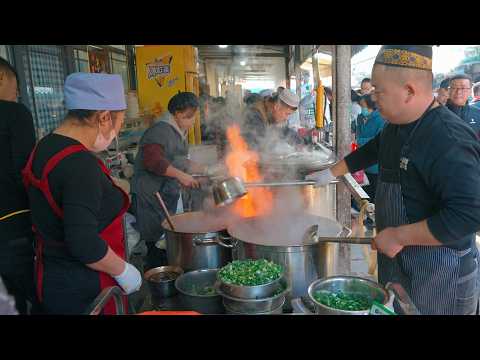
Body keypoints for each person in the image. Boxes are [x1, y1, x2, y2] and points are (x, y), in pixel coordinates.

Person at [307, 45, 480, 315]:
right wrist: (331, 172)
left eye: (379, 90)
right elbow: (373, 150)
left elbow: (469, 214)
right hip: (398, 262)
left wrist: (399, 235)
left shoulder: (449, 138)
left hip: (440, 275)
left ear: (409, 91)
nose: (374, 98)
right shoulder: (396, 127)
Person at [22, 73, 142, 314]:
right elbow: (85, 245)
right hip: (85, 287)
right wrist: (124, 271)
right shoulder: (80, 164)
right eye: (120, 121)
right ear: (104, 117)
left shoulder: (45, 145)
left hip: (51, 277)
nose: (117, 131)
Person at [132, 92, 206, 270]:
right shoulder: (159, 130)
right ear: (179, 114)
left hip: (166, 192)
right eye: (192, 116)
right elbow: (153, 161)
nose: (194, 120)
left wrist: (203, 169)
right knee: (155, 241)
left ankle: (168, 268)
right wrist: (181, 176)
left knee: (166, 236)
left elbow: (177, 159)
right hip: (152, 194)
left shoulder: (178, 131)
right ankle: (156, 275)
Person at [0, 57, 39, 314]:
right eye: (16, 89)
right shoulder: (14, 113)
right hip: (12, 224)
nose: (17, 95)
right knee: (32, 295)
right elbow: (24, 171)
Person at [356, 94, 386, 203]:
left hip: (376, 166)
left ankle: (371, 218)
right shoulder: (361, 118)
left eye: (363, 106)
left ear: (371, 106)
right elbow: (358, 133)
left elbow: (379, 140)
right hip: (364, 164)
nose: (361, 108)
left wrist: (359, 141)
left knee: (374, 196)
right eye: (360, 105)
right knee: (364, 196)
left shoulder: (381, 119)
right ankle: (365, 216)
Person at [446, 74, 480, 138]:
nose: (458, 92)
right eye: (454, 88)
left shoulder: (478, 113)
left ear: (470, 91)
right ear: (448, 90)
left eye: (463, 88)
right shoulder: (437, 114)